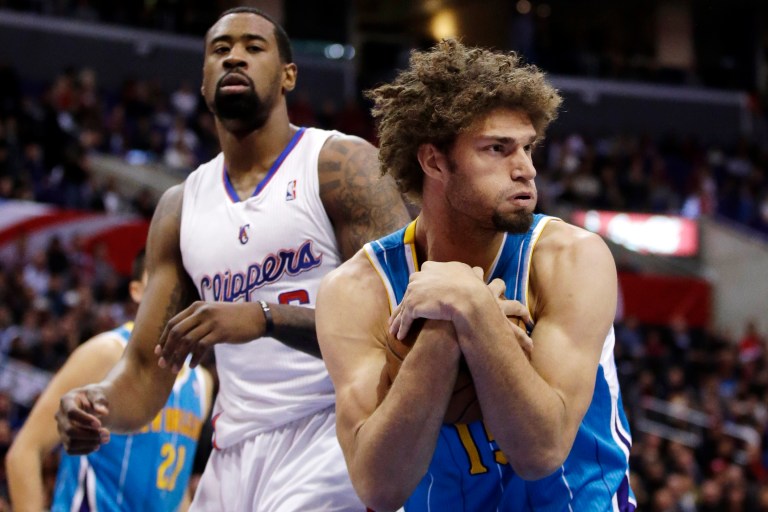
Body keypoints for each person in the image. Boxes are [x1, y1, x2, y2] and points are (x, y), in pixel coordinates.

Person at [55, 7, 410, 511]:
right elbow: (144, 369)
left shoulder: (340, 165)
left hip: (338, 432)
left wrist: (265, 318)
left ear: (289, 75)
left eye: (253, 46)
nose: (234, 57)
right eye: (220, 50)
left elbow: (400, 331)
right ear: (203, 81)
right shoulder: (181, 206)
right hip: (233, 452)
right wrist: (96, 407)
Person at [316, 39, 636, 511]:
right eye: (497, 149)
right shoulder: (354, 290)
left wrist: (472, 306)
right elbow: (379, 487)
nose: (525, 169)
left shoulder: (573, 258)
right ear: (434, 161)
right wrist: (444, 334)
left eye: (528, 148)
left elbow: (541, 451)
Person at [6, 249, 213, 511]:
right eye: (161, 278)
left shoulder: (202, 382)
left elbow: (174, 489)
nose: (174, 288)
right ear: (136, 291)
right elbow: (24, 453)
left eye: (184, 279)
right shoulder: (106, 352)